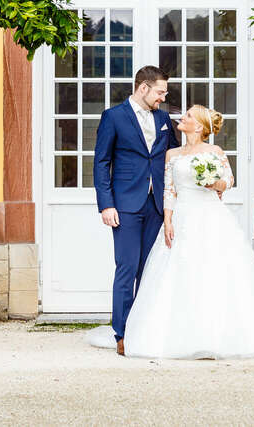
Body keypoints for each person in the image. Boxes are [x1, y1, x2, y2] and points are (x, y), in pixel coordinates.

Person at [121, 104, 254, 359]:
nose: (181, 118)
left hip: (211, 216)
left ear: (198, 126)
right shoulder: (172, 154)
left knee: (216, 270)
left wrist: (213, 182)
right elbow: (169, 189)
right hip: (182, 216)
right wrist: (169, 220)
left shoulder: (214, 151)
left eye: (187, 116)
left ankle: (219, 335)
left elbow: (228, 181)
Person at [93, 65, 182, 356]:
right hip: (125, 206)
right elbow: (101, 163)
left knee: (150, 269)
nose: (162, 98)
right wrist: (106, 204)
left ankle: (145, 328)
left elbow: (175, 157)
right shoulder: (113, 117)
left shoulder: (164, 118)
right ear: (143, 88)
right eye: (159, 92)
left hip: (157, 207)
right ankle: (122, 332)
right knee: (127, 269)